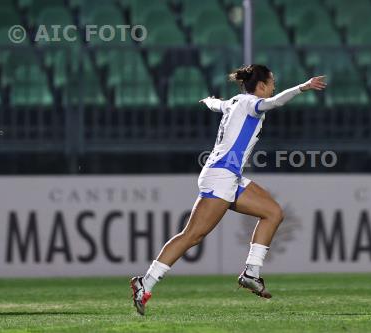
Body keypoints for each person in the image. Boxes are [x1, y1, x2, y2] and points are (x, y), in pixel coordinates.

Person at [131, 64, 326, 315]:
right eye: (272, 81)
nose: (274, 86)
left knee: (273, 213)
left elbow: (218, 105)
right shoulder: (250, 104)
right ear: (262, 85)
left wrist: (208, 101)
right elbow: (275, 102)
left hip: (228, 175)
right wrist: (303, 87)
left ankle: (251, 272)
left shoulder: (234, 101)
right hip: (221, 176)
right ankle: (144, 283)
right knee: (192, 235)